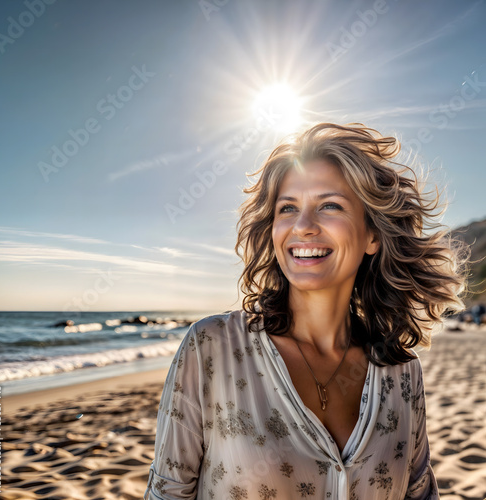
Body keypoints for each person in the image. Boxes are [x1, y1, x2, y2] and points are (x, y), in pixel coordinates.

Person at [144, 123, 468, 499]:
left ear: (372, 235)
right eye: (288, 208)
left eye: (329, 205)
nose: (303, 227)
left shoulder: (402, 372)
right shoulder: (211, 349)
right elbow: (166, 493)